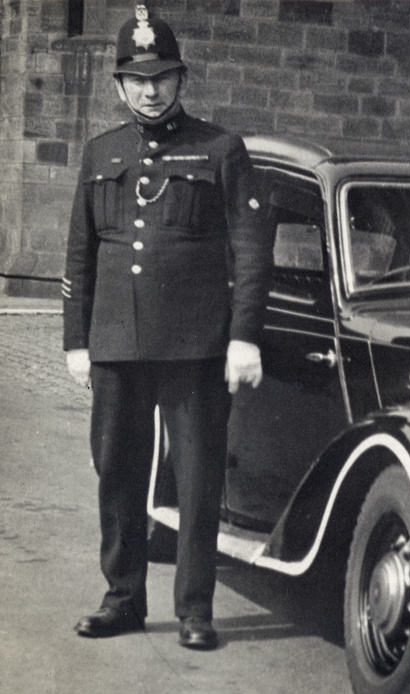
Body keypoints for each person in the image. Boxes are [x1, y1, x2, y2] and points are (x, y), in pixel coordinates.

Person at [61, 5, 272, 651]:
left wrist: (243, 335)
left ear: (181, 80)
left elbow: (250, 249)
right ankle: (122, 598)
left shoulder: (220, 149)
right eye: (136, 79)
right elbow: (81, 252)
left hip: (196, 344)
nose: (149, 91)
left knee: (197, 477)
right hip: (118, 341)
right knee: (118, 472)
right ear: (119, 85)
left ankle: (195, 610)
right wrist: (76, 338)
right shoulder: (102, 152)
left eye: (162, 78)